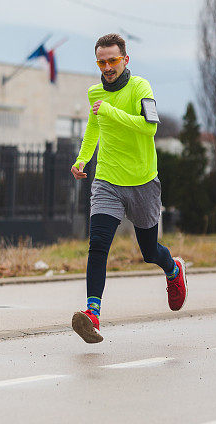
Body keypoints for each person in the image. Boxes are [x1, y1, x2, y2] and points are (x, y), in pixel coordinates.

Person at [70, 33, 187, 343]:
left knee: (149, 252)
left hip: (143, 182)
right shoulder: (95, 92)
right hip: (107, 180)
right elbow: (94, 129)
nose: (107, 67)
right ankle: (92, 314)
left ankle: (173, 269)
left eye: (113, 60)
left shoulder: (140, 88)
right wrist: (82, 160)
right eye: (102, 61)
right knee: (98, 245)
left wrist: (110, 111)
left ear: (125, 59)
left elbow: (150, 127)